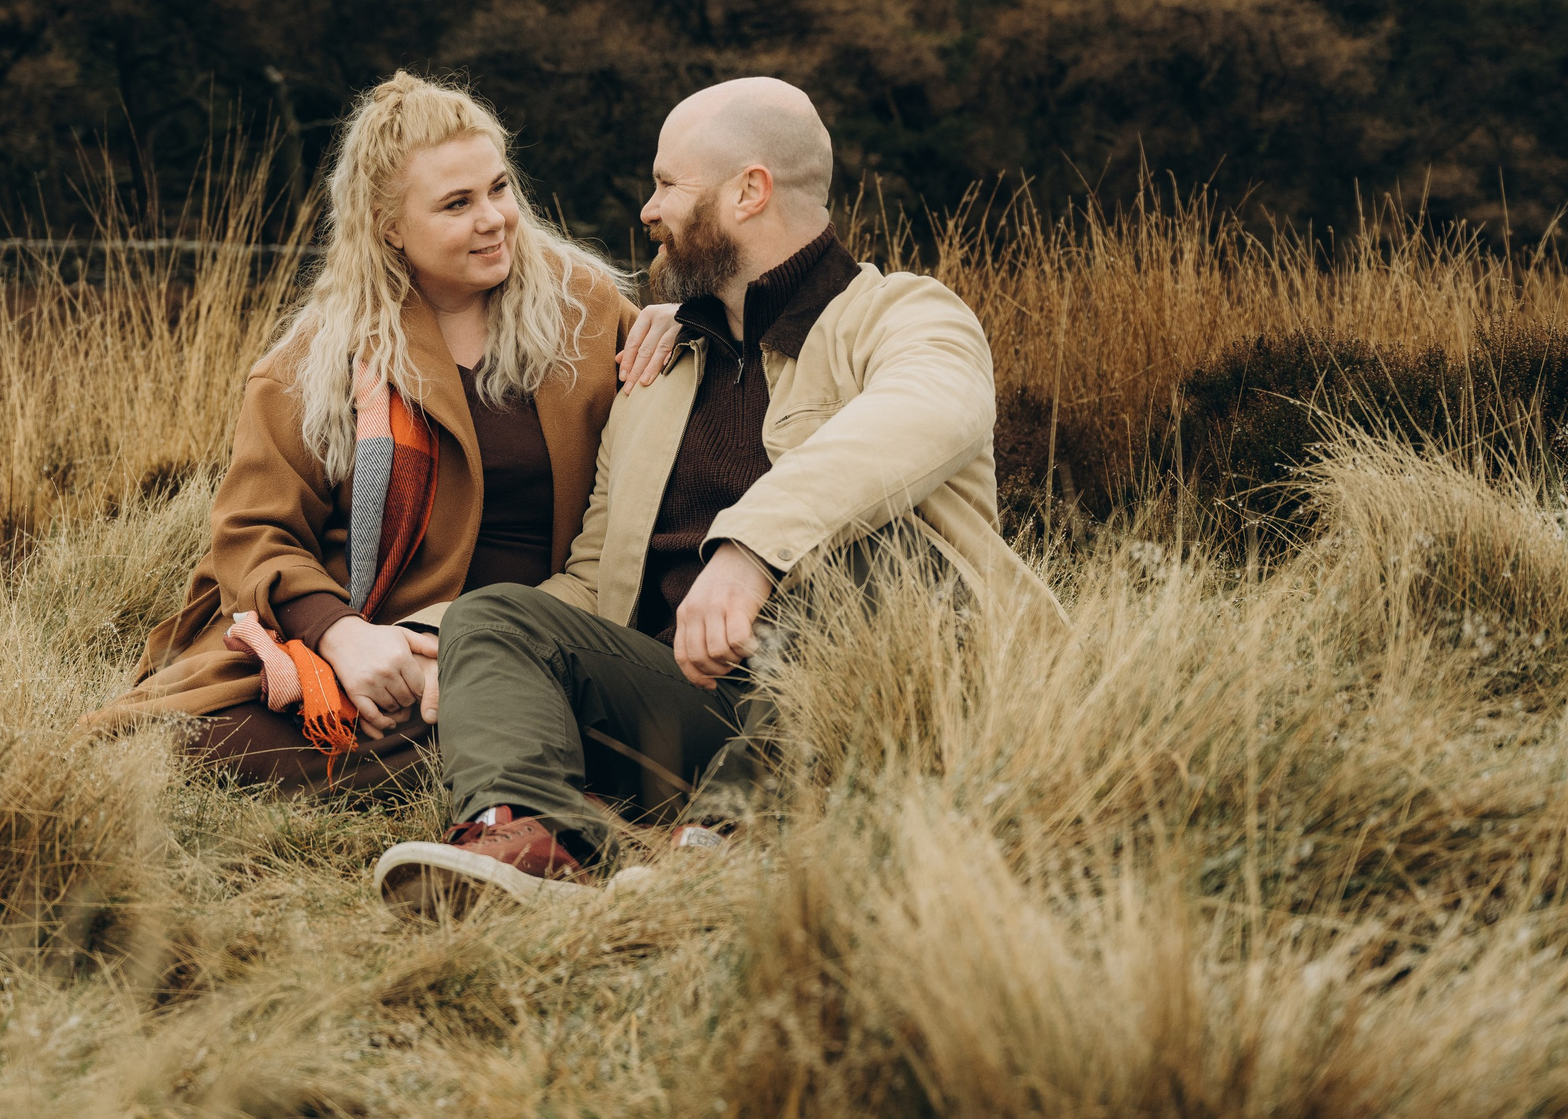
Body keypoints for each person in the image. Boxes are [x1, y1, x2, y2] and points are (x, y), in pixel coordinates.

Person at [372, 76, 1067, 914]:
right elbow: (597, 578)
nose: (649, 210)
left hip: (865, 711)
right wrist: (447, 645)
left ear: (749, 190)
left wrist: (751, 549)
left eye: (668, 183)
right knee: (493, 617)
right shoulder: (659, 368)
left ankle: (728, 842)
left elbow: (926, 411)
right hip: (689, 711)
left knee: (872, 546)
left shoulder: (905, 315)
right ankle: (525, 843)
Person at [81, 72, 681, 788]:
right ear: (389, 226)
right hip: (375, 651)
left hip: (546, 636)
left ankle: (495, 741)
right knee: (195, 742)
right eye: (457, 203)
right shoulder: (313, 363)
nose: (493, 218)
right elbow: (252, 535)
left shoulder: (587, 314)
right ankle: (506, 751)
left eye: (499, 188)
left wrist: (688, 327)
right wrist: (346, 637)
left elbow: (681, 444)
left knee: (533, 709)